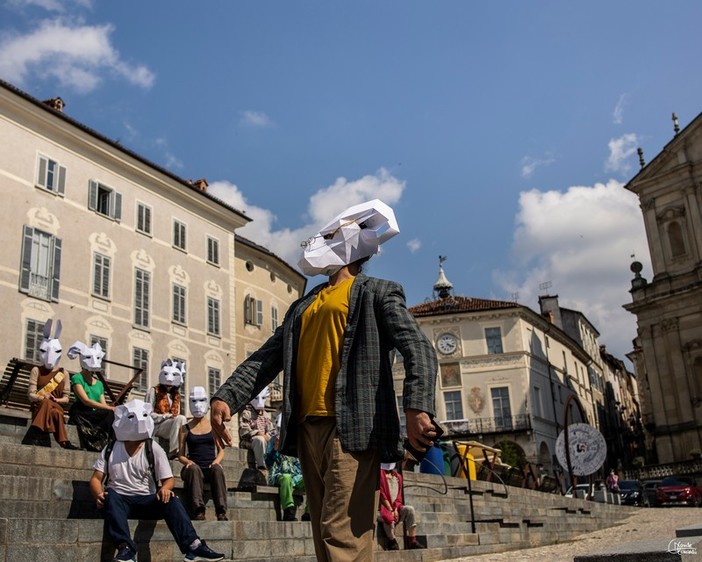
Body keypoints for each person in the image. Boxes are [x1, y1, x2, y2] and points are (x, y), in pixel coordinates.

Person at [211, 200, 438, 562]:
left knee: (340, 533)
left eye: (329, 235)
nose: (317, 242)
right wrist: (226, 398)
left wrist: (417, 407)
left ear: (351, 244)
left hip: (353, 427)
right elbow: (267, 357)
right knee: (325, 536)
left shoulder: (376, 291)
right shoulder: (303, 305)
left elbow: (418, 347)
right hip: (305, 429)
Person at [88, 399, 225, 562]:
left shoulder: (153, 448)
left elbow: (168, 480)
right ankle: (126, 549)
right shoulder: (111, 448)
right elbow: (96, 479)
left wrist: (166, 489)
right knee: (112, 495)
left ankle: (193, 546)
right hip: (118, 501)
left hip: (146, 500)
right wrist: (98, 494)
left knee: (172, 500)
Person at [177, 386, 228, 522]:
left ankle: (221, 511)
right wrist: (187, 462)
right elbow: (180, 454)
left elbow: (221, 450)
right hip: (193, 468)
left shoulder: (213, 426)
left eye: (201, 400)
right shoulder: (184, 428)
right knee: (194, 469)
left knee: (217, 469)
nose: (198, 404)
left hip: (210, 466)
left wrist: (216, 462)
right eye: (194, 401)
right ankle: (198, 510)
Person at [26, 319, 78, 449]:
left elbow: (66, 398)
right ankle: (64, 442)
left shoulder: (64, 373)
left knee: (51, 405)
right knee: (55, 412)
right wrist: (42, 397)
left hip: (56, 404)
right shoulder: (36, 370)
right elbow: (30, 394)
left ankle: (34, 432)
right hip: (39, 406)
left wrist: (56, 399)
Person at [67, 340, 115, 452]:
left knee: (112, 415)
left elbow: (103, 404)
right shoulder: (77, 378)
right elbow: (86, 401)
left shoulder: (99, 383)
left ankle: (112, 445)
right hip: (83, 412)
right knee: (110, 412)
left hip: (95, 413)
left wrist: (111, 409)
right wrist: (110, 408)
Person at [265, 414, 308, 522]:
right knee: (286, 477)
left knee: (312, 479)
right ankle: (289, 511)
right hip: (279, 474)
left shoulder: (297, 441)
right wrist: (275, 449)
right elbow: (268, 462)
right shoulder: (273, 440)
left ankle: (309, 513)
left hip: (297, 476)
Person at [146, 359, 188, 459]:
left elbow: (178, 416)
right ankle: (174, 451)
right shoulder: (153, 391)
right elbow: (147, 414)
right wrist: (166, 416)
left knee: (183, 420)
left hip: (172, 426)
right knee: (180, 419)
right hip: (156, 425)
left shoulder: (176, 395)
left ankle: (185, 452)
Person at [378, 462, 423, 550]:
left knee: (410, 509)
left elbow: (399, 496)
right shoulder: (379, 475)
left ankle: (412, 540)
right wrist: (391, 510)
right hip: (382, 509)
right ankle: (392, 540)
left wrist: (395, 509)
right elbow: (382, 495)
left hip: (395, 507)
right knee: (388, 517)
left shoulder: (398, 477)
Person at [238, 387, 274, 471]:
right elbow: (244, 431)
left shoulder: (266, 415)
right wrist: (258, 433)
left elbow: (271, 431)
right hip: (249, 441)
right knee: (259, 440)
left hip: (265, 441)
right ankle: (262, 464)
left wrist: (267, 436)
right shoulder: (246, 413)